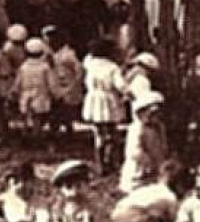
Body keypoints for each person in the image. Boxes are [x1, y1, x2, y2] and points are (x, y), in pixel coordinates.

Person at [82, 38, 127, 173]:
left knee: (98, 133)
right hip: (108, 99)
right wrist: (128, 92)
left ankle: (100, 162)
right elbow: (120, 85)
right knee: (111, 132)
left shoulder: (89, 64)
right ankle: (110, 161)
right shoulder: (112, 68)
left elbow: (86, 60)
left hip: (94, 98)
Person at [120, 90, 170, 194]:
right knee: (139, 185)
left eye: (157, 114)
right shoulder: (137, 128)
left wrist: (163, 156)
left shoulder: (160, 127)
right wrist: (146, 160)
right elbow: (133, 150)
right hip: (141, 166)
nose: (155, 117)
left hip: (157, 161)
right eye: (151, 114)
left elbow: (163, 143)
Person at [14, 36, 56, 141]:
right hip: (41, 95)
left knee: (25, 116)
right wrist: (55, 93)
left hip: (26, 94)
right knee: (38, 118)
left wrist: (15, 91)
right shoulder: (45, 67)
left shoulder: (23, 67)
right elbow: (51, 83)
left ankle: (26, 136)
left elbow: (18, 82)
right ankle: (36, 137)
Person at [49, 31, 84, 141]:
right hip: (57, 84)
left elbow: (79, 70)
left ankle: (67, 133)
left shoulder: (68, 54)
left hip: (68, 85)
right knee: (59, 110)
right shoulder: (54, 53)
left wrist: (75, 84)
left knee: (65, 110)